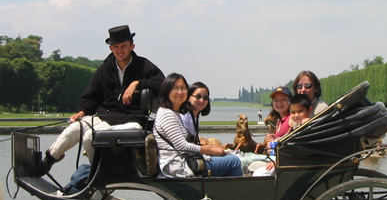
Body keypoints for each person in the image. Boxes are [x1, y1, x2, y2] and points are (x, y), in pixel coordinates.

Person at [35, 25, 165, 177]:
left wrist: (138, 83)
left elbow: (163, 84)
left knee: (90, 136)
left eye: (123, 46)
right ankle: (49, 160)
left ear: (132, 46)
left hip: (133, 120)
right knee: (76, 128)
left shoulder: (144, 66)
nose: (120, 50)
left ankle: (99, 172)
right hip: (107, 117)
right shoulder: (105, 68)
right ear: (111, 48)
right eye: (116, 47)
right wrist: (82, 111)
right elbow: (92, 95)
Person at [154, 73, 242, 178]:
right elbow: (182, 147)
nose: (180, 92)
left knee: (228, 158)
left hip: (183, 161)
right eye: (175, 88)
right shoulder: (167, 114)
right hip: (178, 166)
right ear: (166, 91)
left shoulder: (173, 113)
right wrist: (209, 149)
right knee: (234, 162)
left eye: (183, 88)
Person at [253, 94, 312, 176]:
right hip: (287, 160)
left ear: (309, 110)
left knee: (259, 173)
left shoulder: (307, 126)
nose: (296, 115)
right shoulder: (291, 125)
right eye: (293, 112)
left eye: (300, 111)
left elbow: (299, 150)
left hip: (296, 163)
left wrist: (278, 161)